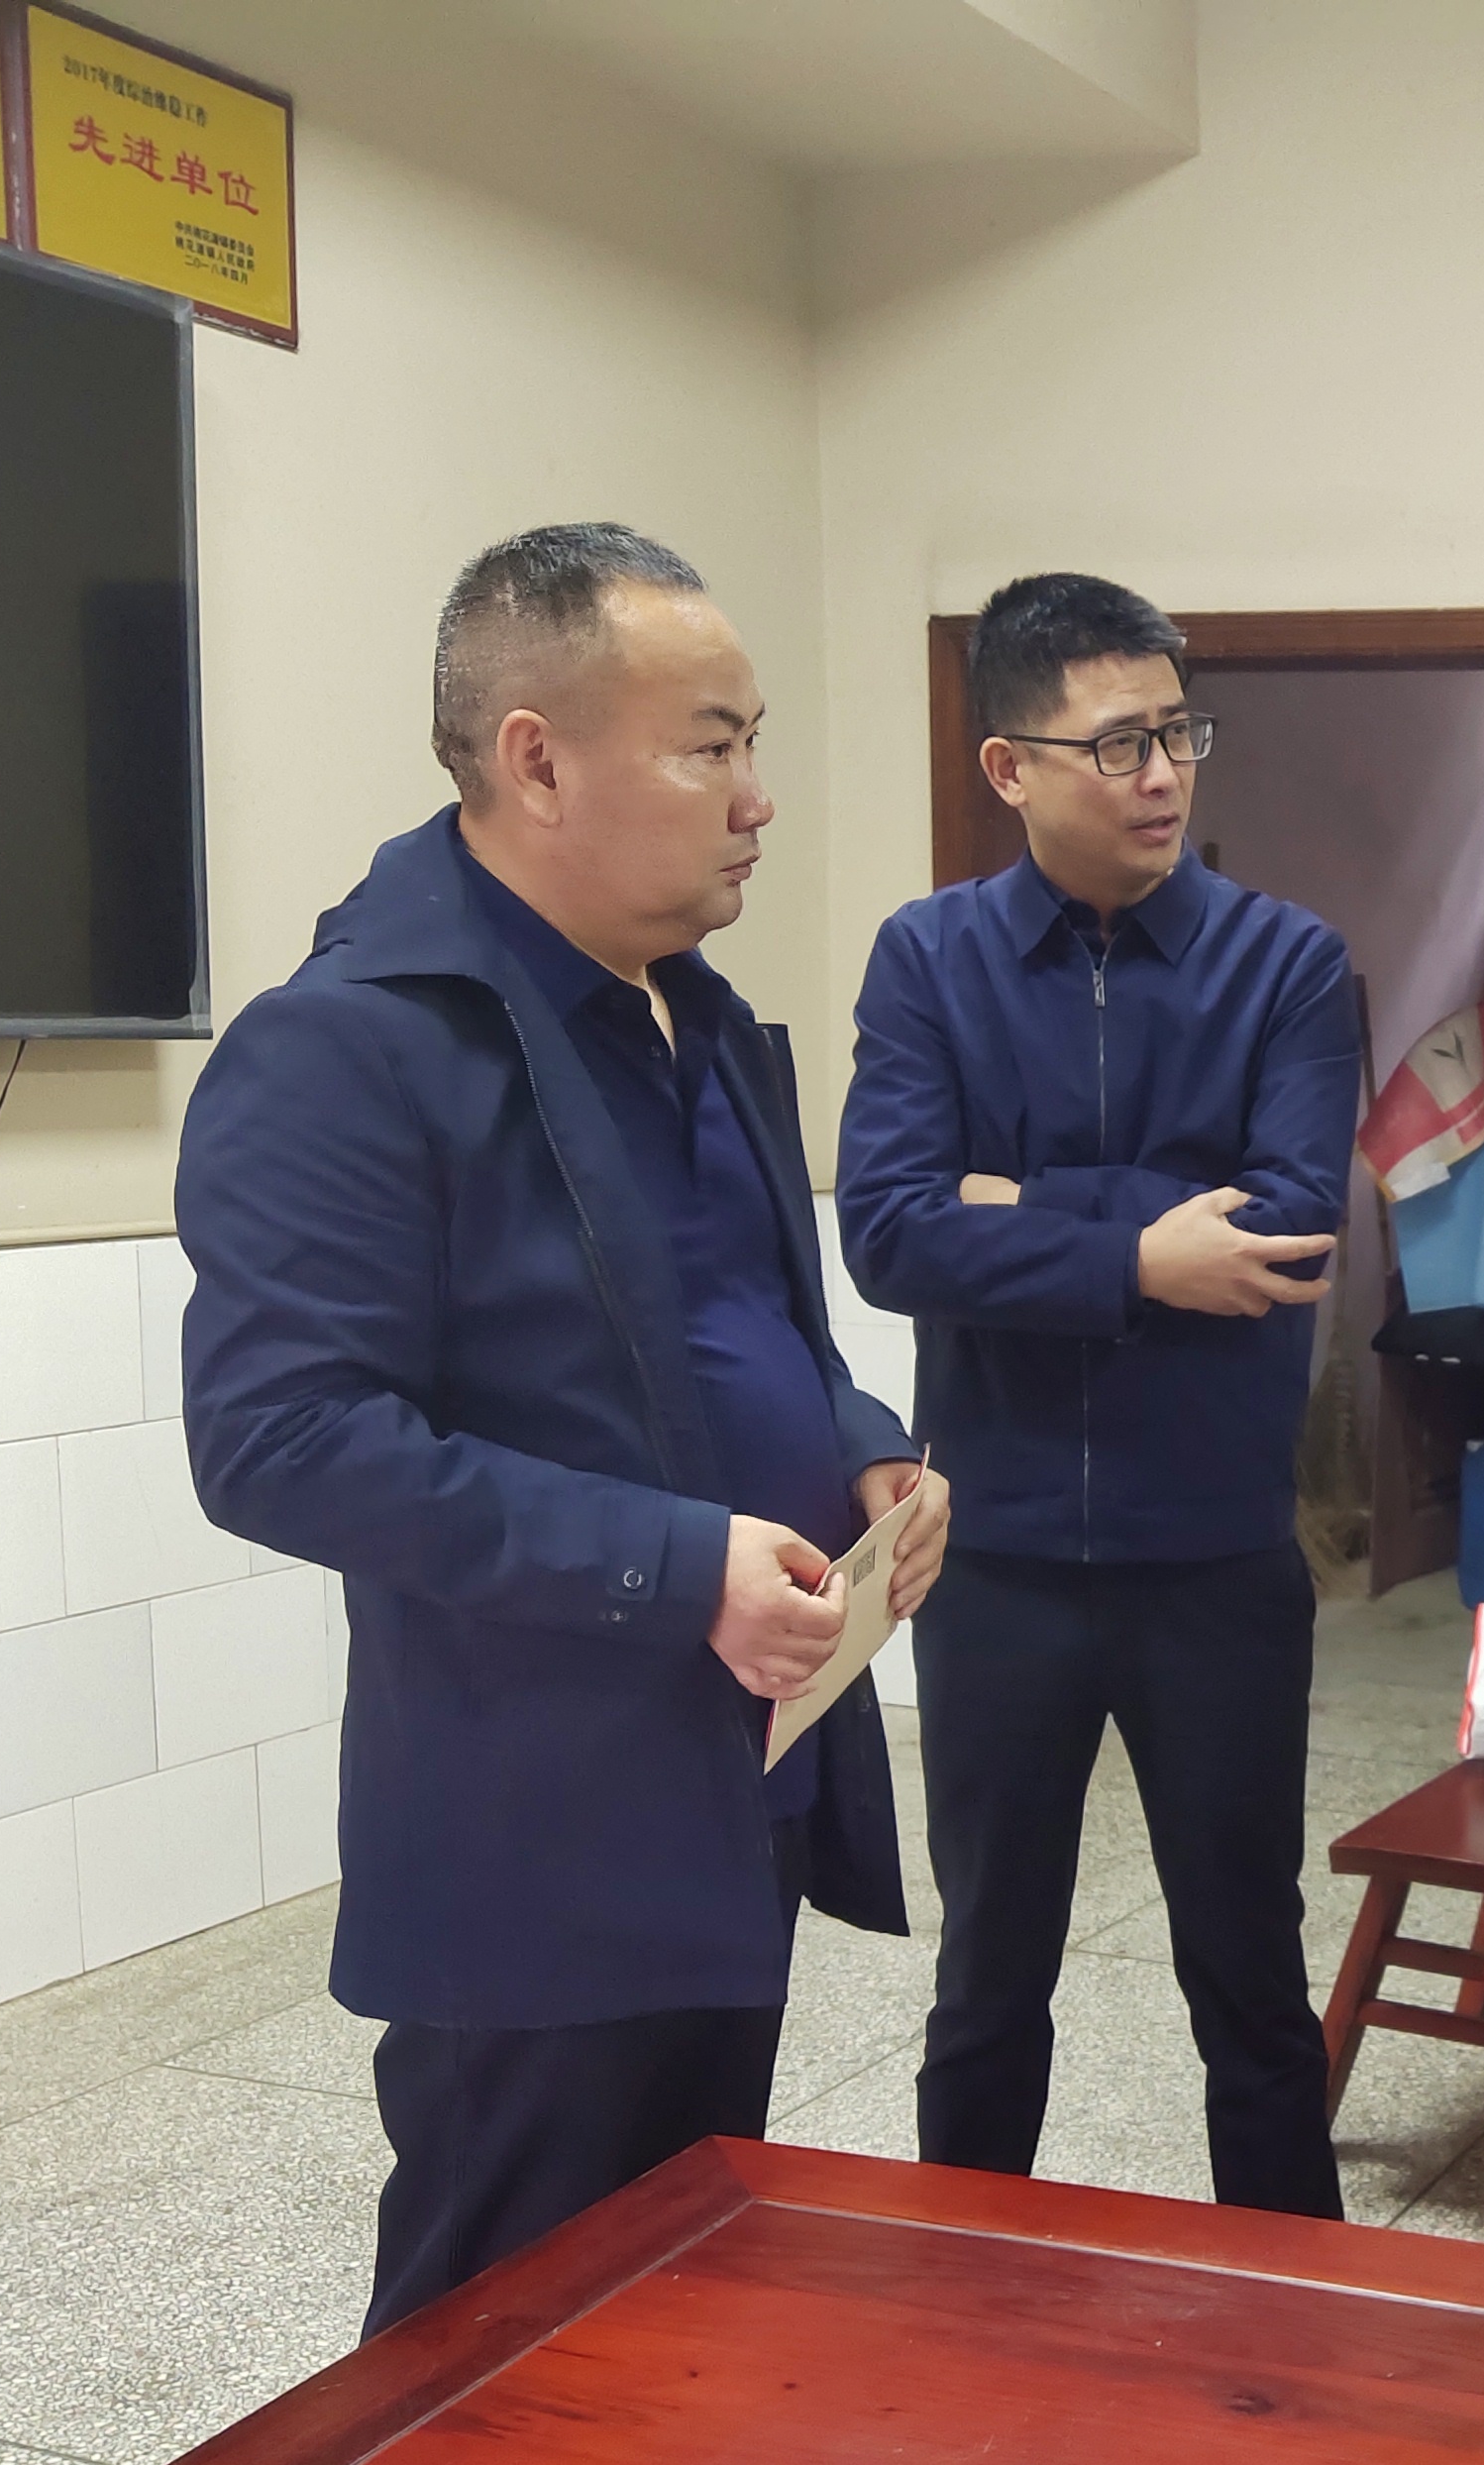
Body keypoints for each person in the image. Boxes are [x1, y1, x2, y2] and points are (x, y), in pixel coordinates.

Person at [179, 523, 950, 2338]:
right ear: (536, 760)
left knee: (678, 2302)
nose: (757, 799)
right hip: (537, 1828)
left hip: (740, 1780)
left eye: (754, 742)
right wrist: (678, 1568)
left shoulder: (695, 1016)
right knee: (494, 2344)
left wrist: (857, 1440)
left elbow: (740, 1319)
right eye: (710, 747)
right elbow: (277, 1437)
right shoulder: (353, 1047)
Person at [834, 573, 1358, 2219]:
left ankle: (1294, 2308)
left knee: (1250, 1978)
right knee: (988, 1978)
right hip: (994, 1564)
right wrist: (1140, 1251)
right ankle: (961, 2302)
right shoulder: (929, 961)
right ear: (1011, 767)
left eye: (1179, 734)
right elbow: (889, 1231)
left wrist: (1017, 1206)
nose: (1162, 776)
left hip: (1215, 1561)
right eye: (1118, 743)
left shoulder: (1287, 964)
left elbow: (1286, 1227)